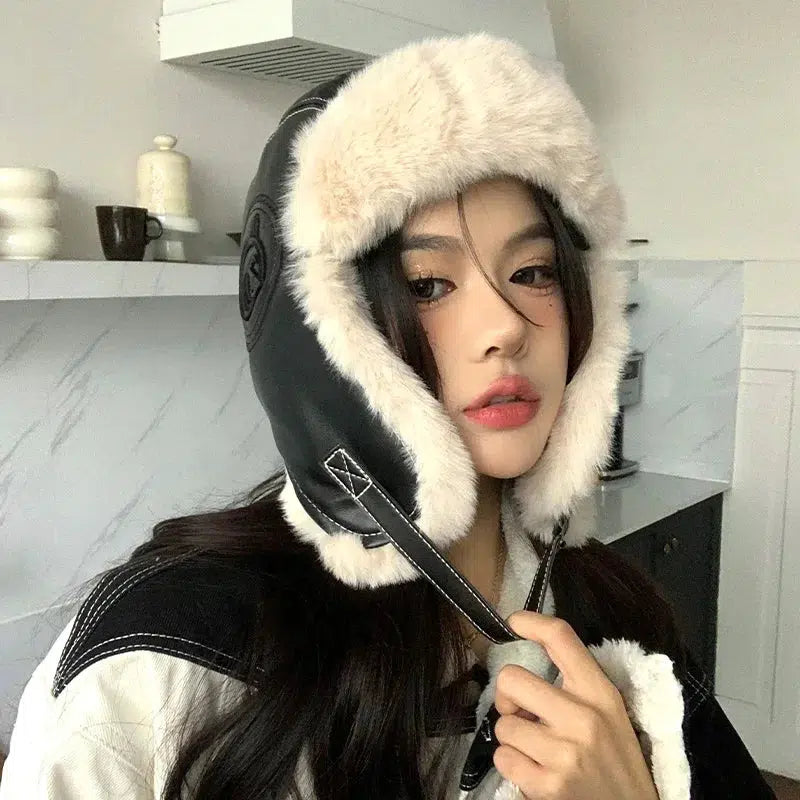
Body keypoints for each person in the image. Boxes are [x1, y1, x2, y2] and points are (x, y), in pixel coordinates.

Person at [0, 33, 775, 800]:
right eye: (427, 285)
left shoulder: (617, 620)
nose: (506, 326)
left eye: (534, 271)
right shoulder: (160, 663)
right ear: (322, 337)